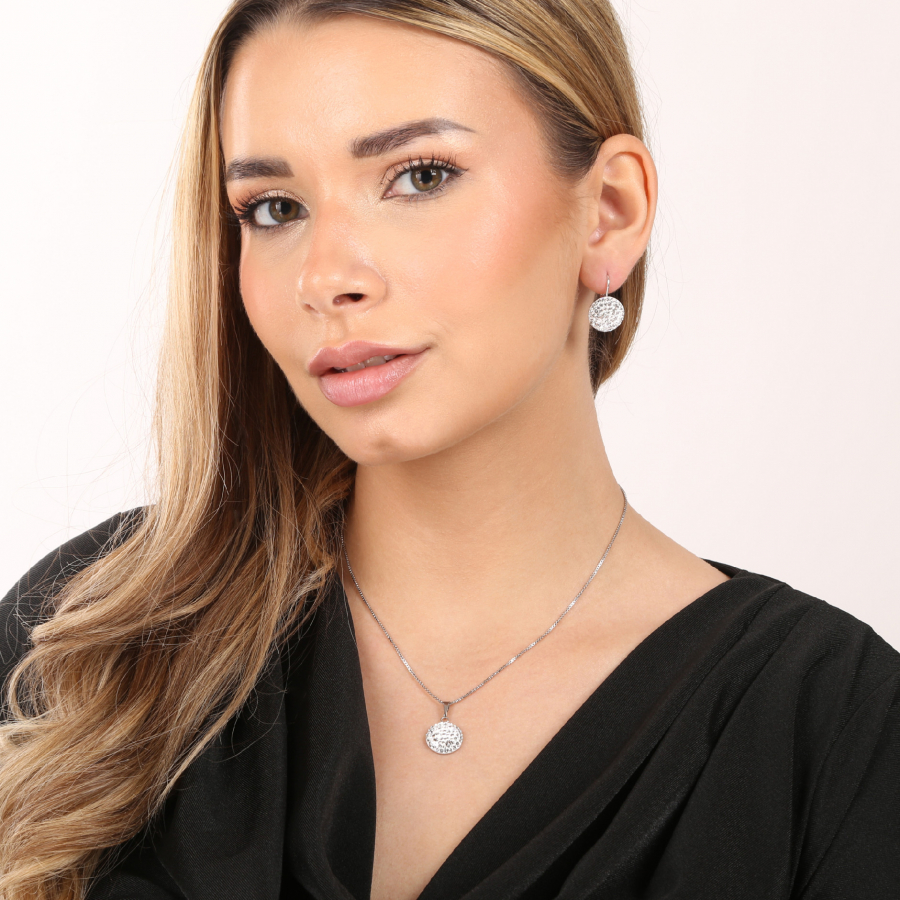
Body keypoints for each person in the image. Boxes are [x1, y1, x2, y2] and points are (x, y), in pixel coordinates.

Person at [1, 0, 898, 898]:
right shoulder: (88, 641)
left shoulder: (834, 734)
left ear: (609, 212)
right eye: (275, 208)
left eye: (420, 177)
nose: (328, 277)